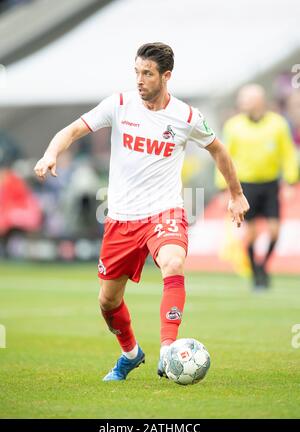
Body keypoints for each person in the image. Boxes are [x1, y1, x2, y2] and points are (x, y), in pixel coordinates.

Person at [34, 42, 249, 381]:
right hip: (120, 218)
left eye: (147, 73)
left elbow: (218, 151)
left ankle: (168, 350)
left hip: (164, 212)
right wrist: (51, 154)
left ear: (166, 76)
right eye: (136, 72)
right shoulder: (119, 104)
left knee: (173, 262)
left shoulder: (187, 117)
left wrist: (236, 194)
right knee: (107, 302)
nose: (139, 80)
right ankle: (131, 354)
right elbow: (72, 130)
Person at [216, 84, 298, 290]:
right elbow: (223, 157)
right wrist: (223, 187)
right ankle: (256, 272)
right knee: (250, 233)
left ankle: (262, 266)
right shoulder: (233, 126)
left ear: (259, 101)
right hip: (245, 186)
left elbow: (287, 153)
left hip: (270, 184)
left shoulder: (278, 124)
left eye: (246, 99)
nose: (242, 103)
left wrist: (290, 180)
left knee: (274, 231)